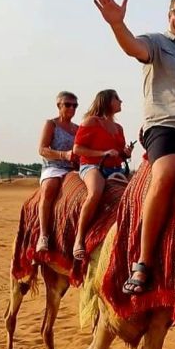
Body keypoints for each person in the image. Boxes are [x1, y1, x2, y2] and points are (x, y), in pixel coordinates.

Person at [93, 0, 175, 294]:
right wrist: (117, 25)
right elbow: (133, 47)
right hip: (166, 127)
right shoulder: (157, 44)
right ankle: (143, 261)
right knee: (167, 173)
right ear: (170, 16)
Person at [71, 89, 132, 260]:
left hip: (115, 169)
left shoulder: (118, 128)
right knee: (95, 192)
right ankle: (79, 238)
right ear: (107, 101)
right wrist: (103, 153)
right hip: (92, 166)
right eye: (117, 98)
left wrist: (125, 153)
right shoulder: (91, 122)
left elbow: (119, 153)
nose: (121, 101)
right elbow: (77, 149)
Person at [36, 91, 80, 254]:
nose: (72, 108)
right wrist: (64, 155)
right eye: (68, 104)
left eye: (75, 105)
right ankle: (43, 235)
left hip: (72, 168)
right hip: (53, 167)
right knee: (49, 189)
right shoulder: (51, 124)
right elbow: (42, 149)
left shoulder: (78, 128)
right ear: (58, 106)